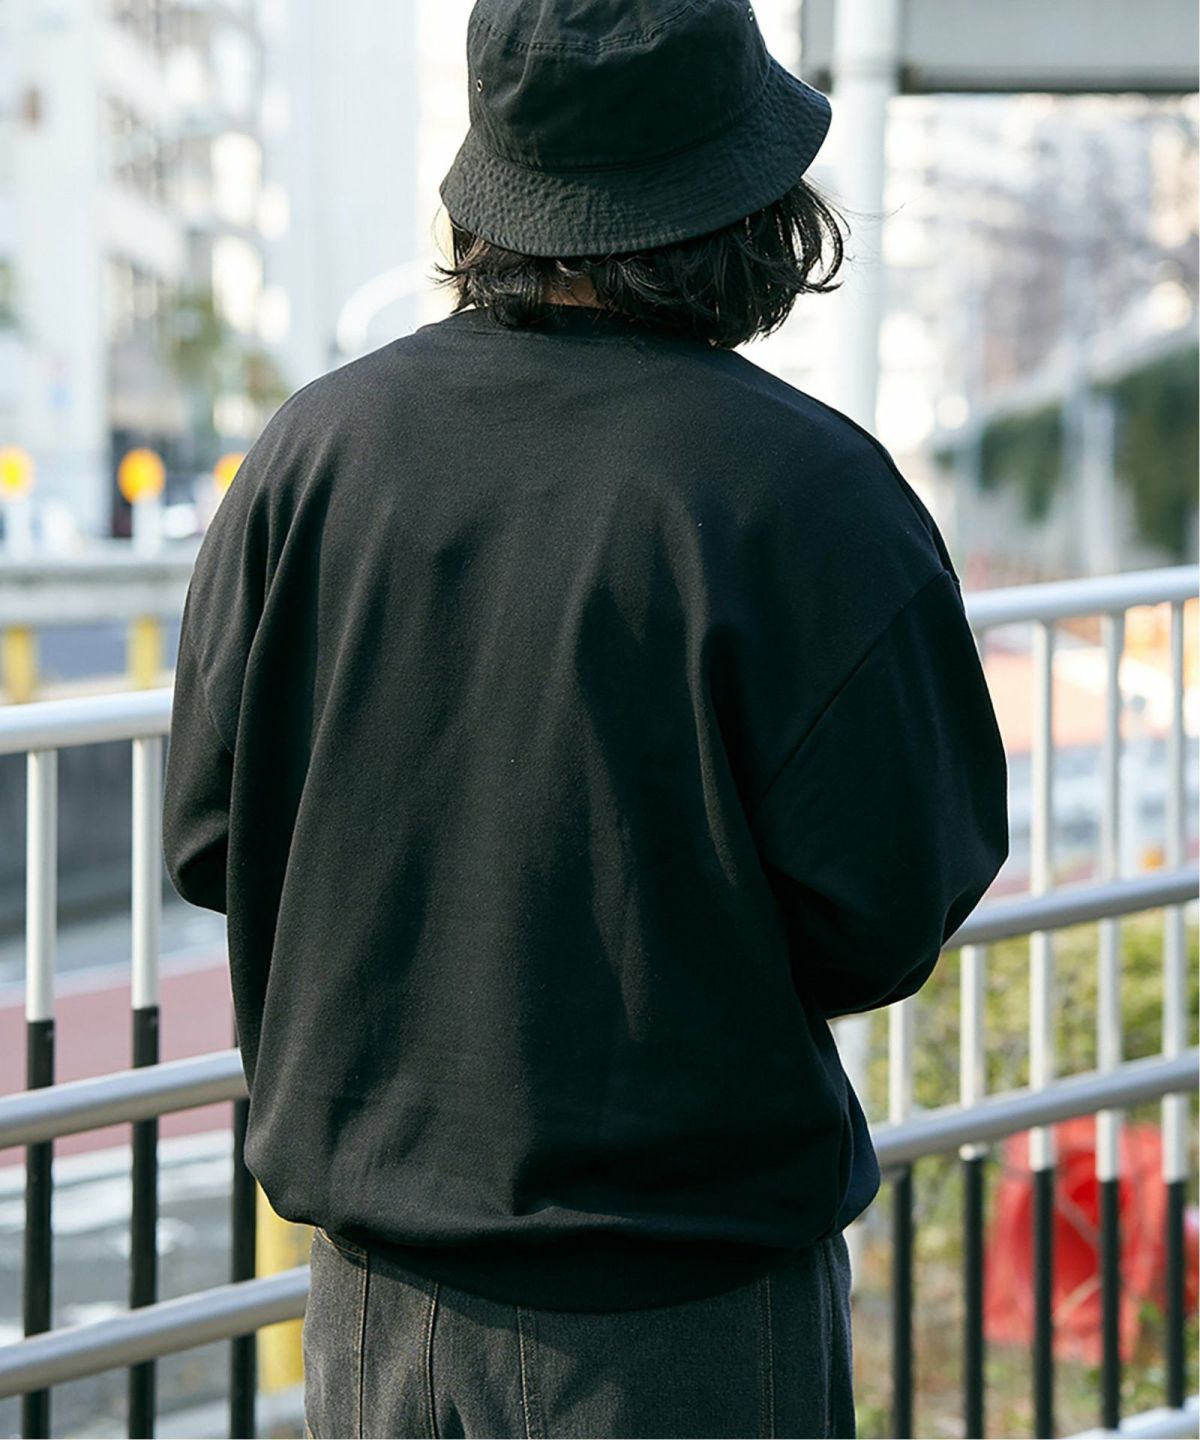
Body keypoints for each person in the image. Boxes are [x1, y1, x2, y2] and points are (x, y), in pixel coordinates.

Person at [161, 1, 1010, 1436]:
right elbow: (886, 914)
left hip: (377, 1315)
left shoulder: (315, 452)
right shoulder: (810, 493)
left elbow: (210, 842)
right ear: (750, 201)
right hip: (689, 1319)